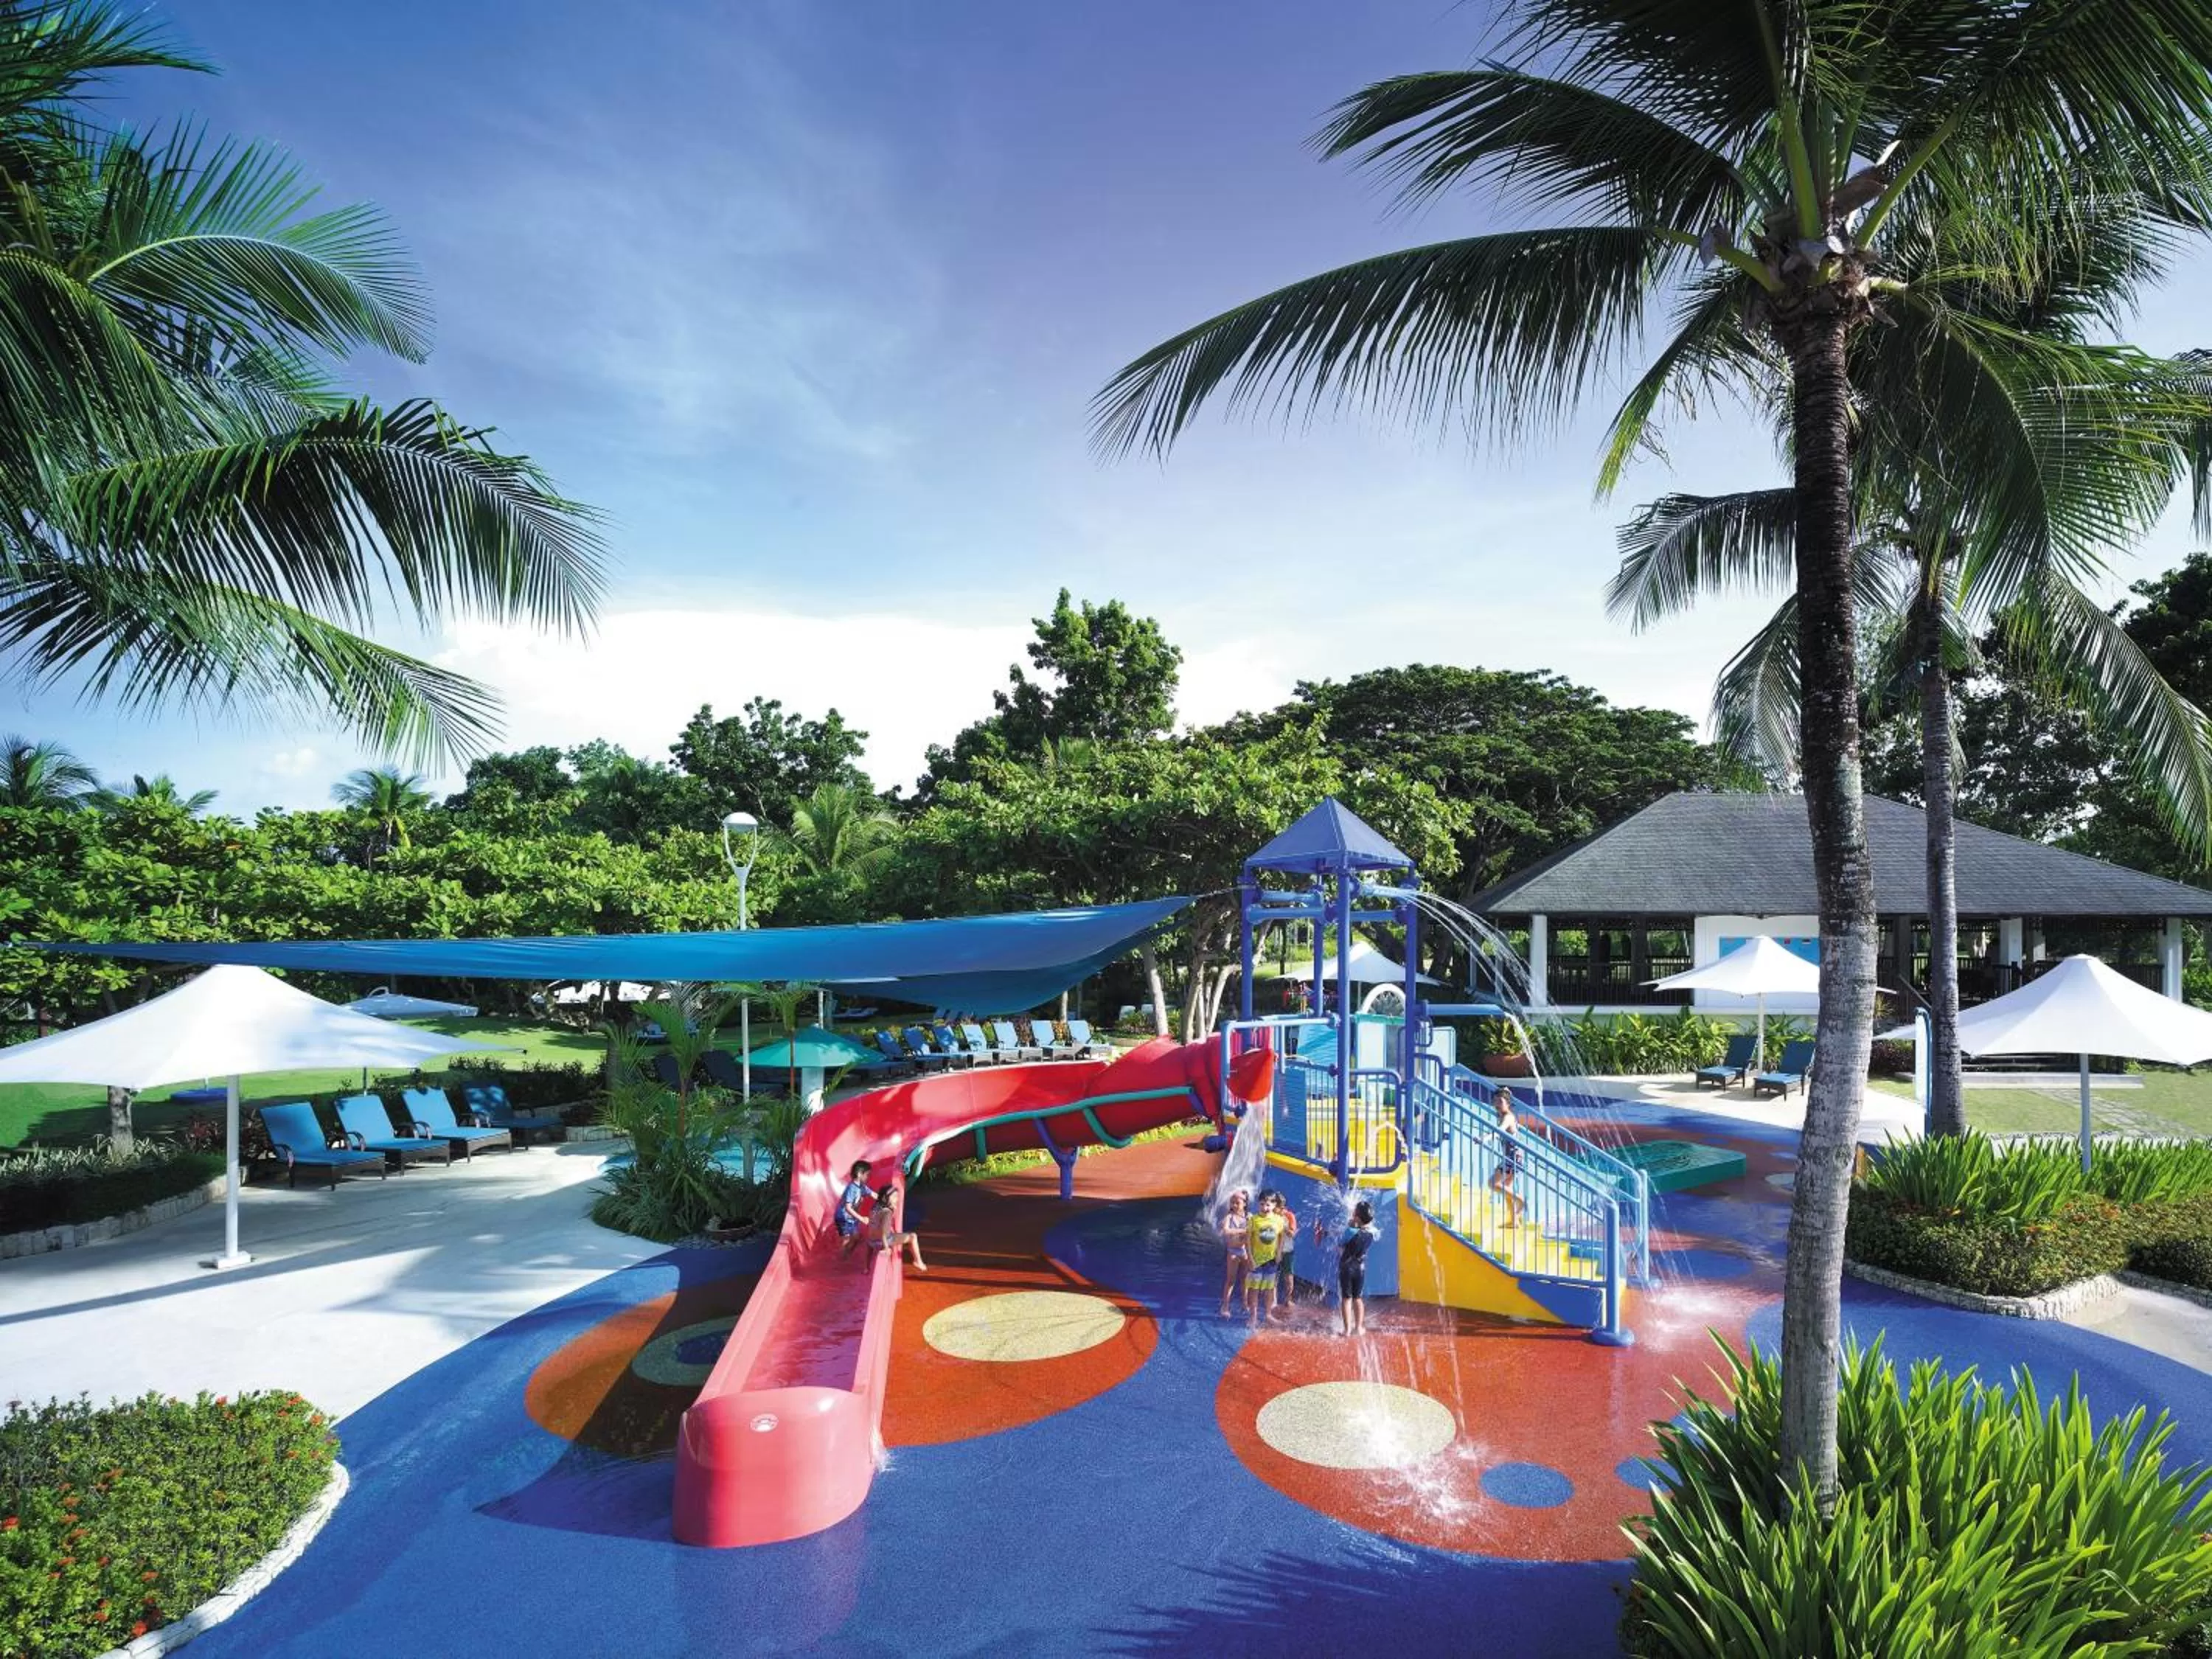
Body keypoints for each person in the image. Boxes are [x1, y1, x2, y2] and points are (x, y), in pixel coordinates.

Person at [1246, 1190, 1290, 1324]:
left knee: (1269, 1288)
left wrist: (1279, 1253)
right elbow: (1247, 1240)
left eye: (1268, 1205)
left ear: (1275, 1205)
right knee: (1254, 1289)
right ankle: (1253, 1316)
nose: (1265, 1208)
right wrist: (1250, 1259)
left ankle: (1268, 1314)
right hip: (1257, 1260)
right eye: (1262, 1204)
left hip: (1271, 1261)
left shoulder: (1279, 1220)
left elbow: (1282, 1237)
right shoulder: (1254, 1220)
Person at [1338, 1200, 1378, 1337]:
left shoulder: (1350, 1231)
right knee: (1358, 1298)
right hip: (1360, 1269)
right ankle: (1359, 1328)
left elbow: (1341, 1244)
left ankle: (1347, 1330)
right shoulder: (1372, 1233)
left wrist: (1350, 1226)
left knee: (1346, 1298)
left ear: (1356, 1217)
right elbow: (1368, 1229)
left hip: (1347, 1268)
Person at [867, 1182, 927, 1272]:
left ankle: (866, 1267)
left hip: (870, 1240)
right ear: (885, 1198)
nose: (897, 1199)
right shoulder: (887, 1212)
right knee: (913, 1236)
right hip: (881, 1241)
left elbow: (874, 1223)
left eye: (897, 1197)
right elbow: (884, 1232)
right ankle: (918, 1261)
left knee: (888, 1233)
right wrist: (886, 1247)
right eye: (894, 1197)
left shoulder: (876, 1206)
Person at [1489, 1088, 1526, 1228]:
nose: (1497, 1104)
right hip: (1512, 1157)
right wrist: (1505, 1090)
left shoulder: (1508, 1117)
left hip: (1512, 1158)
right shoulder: (1502, 1114)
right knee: (1507, 1189)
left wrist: (1485, 1139)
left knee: (1493, 1183)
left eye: (1501, 1101)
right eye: (1495, 1101)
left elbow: (1500, 1131)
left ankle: (1520, 1200)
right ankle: (1513, 1221)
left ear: (1508, 1104)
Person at [1217, 1189, 1252, 1316]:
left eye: (1237, 1203)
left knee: (1245, 1279)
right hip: (1233, 1252)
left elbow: (1254, 1230)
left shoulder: (1249, 1217)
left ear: (1245, 1204)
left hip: (1245, 1252)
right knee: (1230, 1280)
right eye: (1232, 1202)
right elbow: (1226, 1231)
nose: (1234, 1205)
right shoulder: (1229, 1217)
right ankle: (1225, 1306)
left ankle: (1245, 1303)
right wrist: (1243, 1231)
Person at [836, 1158, 874, 1256]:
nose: (868, 1177)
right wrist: (861, 1218)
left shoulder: (862, 1187)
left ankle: (848, 1253)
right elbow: (848, 1208)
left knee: (856, 1238)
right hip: (843, 1217)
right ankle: (841, 1259)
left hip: (852, 1218)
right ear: (859, 1174)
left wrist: (888, 1198)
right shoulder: (851, 1189)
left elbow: (874, 1195)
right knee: (847, 1238)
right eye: (867, 1175)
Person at [1274, 1195, 1300, 1314]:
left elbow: (1292, 1233)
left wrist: (1283, 1227)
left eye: (1276, 1206)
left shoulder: (1289, 1216)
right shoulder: (1271, 1215)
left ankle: (1288, 1299)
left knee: (1288, 1277)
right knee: (1273, 1277)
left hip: (1287, 1251)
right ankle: (1273, 1300)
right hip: (1273, 1251)